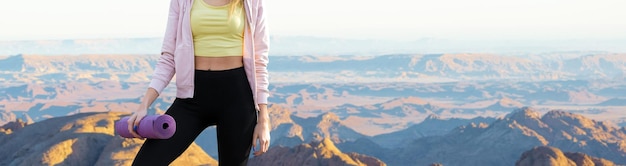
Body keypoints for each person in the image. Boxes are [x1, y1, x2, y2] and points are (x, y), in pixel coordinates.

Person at [126, 0, 271, 165]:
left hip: (237, 99)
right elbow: (168, 57)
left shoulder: (252, 2)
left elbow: (259, 61)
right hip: (191, 99)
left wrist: (263, 119)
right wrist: (144, 105)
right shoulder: (182, 2)